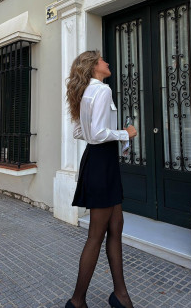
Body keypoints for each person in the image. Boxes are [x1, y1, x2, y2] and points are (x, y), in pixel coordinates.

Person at [65, 50, 137, 308]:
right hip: (102, 164)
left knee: (116, 225)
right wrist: (125, 133)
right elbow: (95, 133)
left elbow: (78, 132)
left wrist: (107, 137)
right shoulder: (102, 91)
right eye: (103, 60)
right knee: (97, 234)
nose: (107, 62)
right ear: (95, 67)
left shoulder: (86, 93)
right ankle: (77, 301)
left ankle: (120, 294)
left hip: (98, 161)